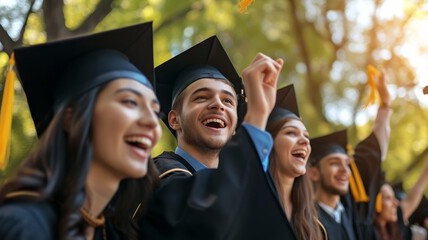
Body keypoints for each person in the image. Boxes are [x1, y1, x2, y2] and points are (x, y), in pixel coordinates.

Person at [0, 22, 160, 240]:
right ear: (72, 119)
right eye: (130, 102)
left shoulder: (113, 231)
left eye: (156, 111)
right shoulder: (18, 228)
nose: (152, 123)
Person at [141, 36, 296, 239]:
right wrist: (257, 115)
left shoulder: (243, 188)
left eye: (228, 101)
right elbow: (206, 221)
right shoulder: (160, 175)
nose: (218, 105)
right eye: (202, 97)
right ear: (174, 119)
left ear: (233, 127)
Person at [308, 67, 392, 240]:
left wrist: (385, 104)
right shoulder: (306, 219)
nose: (344, 170)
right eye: (333, 163)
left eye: (346, 164)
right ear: (313, 173)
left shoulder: (351, 213)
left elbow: (373, 153)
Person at [265, 84, 324, 240]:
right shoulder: (248, 209)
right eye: (291, 133)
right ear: (267, 143)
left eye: (306, 136)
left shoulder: (313, 224)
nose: (304, 141)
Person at [373, 151, 428, 240]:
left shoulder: (395, 228)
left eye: (394, 198)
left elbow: (410, 201)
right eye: (388, 198)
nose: (396, 203)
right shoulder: (366, 231)